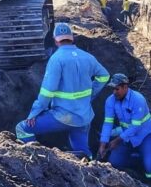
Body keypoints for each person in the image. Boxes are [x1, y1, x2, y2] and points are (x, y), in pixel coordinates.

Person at [15, 23, 110, 157]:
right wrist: (91, 93)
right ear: (72, 38)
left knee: (22, 128)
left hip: (62, 117)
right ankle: (93, 169)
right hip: (84, 117)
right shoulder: (88, 57)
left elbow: (47, 91)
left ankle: (37, 160)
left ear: (55, 40)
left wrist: (34, 112)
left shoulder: (56, 59)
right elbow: (104, 75)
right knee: (83, 151)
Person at [98, 74, 151, 187]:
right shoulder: (110, 100)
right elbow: (108, 123)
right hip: (126, 137)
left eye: (117, 88)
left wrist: (116, 140)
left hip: (144, 136)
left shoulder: (138, 99)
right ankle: (140, 160)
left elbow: (136, 126)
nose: (114, 92)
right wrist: (102, 143)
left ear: (125, 87)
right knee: (114, 163)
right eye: (113, 89)